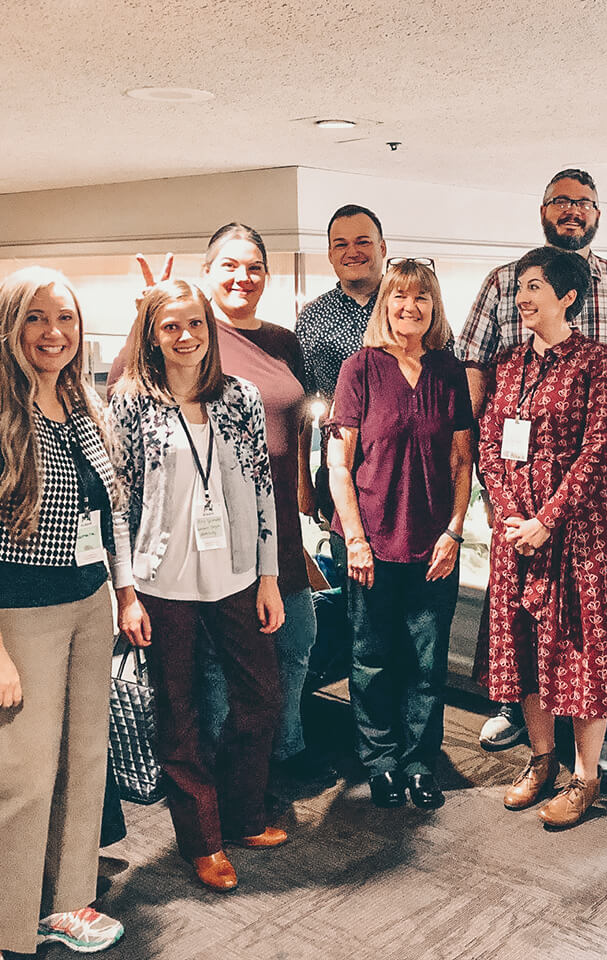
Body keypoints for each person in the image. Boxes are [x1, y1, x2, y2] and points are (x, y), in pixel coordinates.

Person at [0, 267, 143, 959]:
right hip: (17, 613)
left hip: (87, 604)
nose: (53, 333)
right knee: (20, 776)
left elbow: (105, 513)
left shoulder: (83, 404)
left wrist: (123, 593)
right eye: (35, 318)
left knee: (84, 760)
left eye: (65, 319)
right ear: (8, 325)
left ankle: (66, 901)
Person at [458, 167, 607, 751]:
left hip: (593, 493)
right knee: (525, 626)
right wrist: (504, 507)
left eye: (584, 202)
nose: (572, 210)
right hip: (515, 501)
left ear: (598, 213)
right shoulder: (501, 287)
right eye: (560, 201)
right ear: (543, 209)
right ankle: (531, 729)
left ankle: (590, 749)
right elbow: (478, 380)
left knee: (583, 628)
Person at [107, 279, 286, 891]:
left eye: (195, 325)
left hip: (236, 574)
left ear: (210, 331)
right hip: (162, 580)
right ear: (151, 335)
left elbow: (263, 490)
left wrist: (269, 577)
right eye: (170, 326)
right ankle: (202, 840)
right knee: (178, 713)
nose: (185, 337)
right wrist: (126, 592)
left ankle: (241, 814)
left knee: (262, 695)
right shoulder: (130, 402)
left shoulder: (239, 396)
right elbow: (119, 503)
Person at [124, 224, 318, 778]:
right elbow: (130, 394)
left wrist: (304, 495)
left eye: (254, 266)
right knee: (214, 671)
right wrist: (145, 318)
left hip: (274, 528)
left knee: (294, 647)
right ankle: (223, 780)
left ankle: (280, 756)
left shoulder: (283, 340)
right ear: (207, 274)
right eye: (229, 265)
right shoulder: (188, 336)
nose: (243, 276)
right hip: (200, 546)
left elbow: (295, 423)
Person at [479, 246, 607, 829]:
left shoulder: (600, 363)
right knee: (525, 648)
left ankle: (585, 775)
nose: (523, 298)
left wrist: (546, 519)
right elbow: (489, 446)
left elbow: (600, 451)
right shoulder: (506, 363)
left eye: (536, 287)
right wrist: (509, 517)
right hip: (515, 532)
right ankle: (540, 759)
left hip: (580, 534)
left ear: (568, 296)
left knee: (580, 655)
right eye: (520, 287)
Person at [327, 258, 473, 810]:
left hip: (433, 545)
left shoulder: (448, 372)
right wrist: (356, 541)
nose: (409, 308)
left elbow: (463, 464)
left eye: (422, 299)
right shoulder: (359, 369)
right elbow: (340, 466)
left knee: (427, 664)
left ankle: (419, 764)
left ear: (434, 307)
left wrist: (454, 532)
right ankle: (382, 762)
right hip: (371, 544)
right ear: (384, 304)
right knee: (369, 660)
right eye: (399, 298)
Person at [295, 203, 387, 400]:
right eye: (341, 245)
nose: (352, 252)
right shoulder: (312, 317)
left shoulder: (412, 308)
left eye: (363, 242)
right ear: (330, 254)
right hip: (337, 430)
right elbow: (302, 399)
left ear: (382, 248)